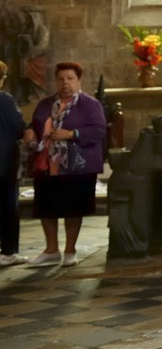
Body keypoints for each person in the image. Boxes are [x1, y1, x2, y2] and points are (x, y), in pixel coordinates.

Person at [22, 62, 107, 266]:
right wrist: (30, 131)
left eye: (70, 78)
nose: (65, 83)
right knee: (46, 207)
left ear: (79, 81)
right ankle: (51, 250)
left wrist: (71, 134)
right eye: (61, 79)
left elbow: (98, 131)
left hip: (77, 165)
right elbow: (34, 123)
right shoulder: (45, 104)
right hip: (47, 164)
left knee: (73, 207)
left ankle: (70, 249)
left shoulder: (90, 104)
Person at [0, 61, 25, 266]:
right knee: (8, 207)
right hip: (4, 163)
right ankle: (8, 252)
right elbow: (18, 127)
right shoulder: (4, 100)